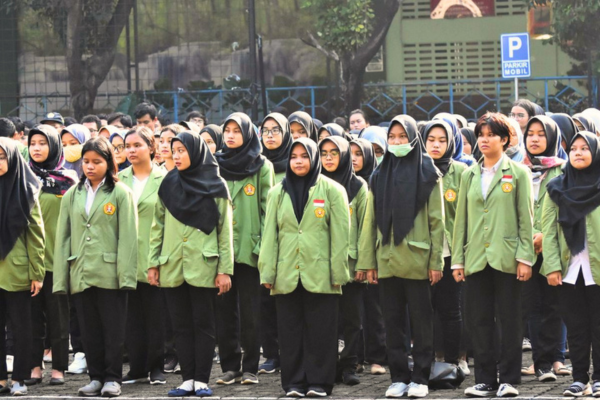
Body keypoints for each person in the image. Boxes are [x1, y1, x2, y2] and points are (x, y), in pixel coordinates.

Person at [359, 115, 444, 399]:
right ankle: (398, 377)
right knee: (392, 323)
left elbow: (437, 222)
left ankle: (420, 377)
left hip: (418, 260)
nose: (397, 142)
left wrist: (436, 262)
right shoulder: (379, 173)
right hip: (386, 259)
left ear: (413, 138)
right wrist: (368, 262)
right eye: (392, 137)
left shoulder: (428, 172)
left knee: (422, 322)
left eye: (402, 136)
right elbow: (370, 221)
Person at [259, 138, 350, 397]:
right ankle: (294, 383)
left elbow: (341, 236)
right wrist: (268, 272)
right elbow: (270, 236)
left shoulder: (333, 190)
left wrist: (338, 273)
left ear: (314, 158)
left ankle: (320, 382)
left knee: (321, 331)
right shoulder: (277, 192)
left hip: (321, 274)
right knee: (289, 332)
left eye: (304, 156)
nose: (298, 161)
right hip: (287, 273)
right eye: (294, 156)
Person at [452, 112, 535, 398]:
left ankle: (509, 379)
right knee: (479, 321)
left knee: (510, 321)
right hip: (476, 258)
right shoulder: (469, 174)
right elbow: (460, 220)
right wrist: (458, 260)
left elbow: (526, 219)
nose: (484, 140)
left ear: (505, 139)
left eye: (491, 135)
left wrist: (525, 258)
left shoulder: (519, 173)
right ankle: (485, 380)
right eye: (481, 135)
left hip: (508, 258)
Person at [148, 130, 234, 397]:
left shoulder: (216, 185)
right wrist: (153, 263)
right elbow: (157, 226)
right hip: (173, 265)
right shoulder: (168, 183)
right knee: (180, 326)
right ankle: (187, 379)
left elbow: (225, 231)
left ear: (196, 152)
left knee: (204, 325)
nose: (176, 155)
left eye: (182, 150)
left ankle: (202, 379)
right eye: (174, 151)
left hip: (204, 266)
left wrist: (224, 270)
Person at [53, 137, 138, 398]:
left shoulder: (121, 193)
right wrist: (61, 278)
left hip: (110, 273)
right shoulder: (72, 194)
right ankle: (95, 377)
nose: (90, 166)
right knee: (89, 331)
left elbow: (128, 238)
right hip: (81, 271)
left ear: (109, 163)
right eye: (86, 161)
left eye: (97, 162)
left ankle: (112, 378)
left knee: (113, 330)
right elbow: (63, 237)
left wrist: (126, 277)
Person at [214, 112, 275, 385]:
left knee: (251, 313)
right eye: (227, 130)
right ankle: (230, 367)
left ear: (248, 134)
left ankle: (250, 366)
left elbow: (268, 211)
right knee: (225, 312)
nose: (230, 135)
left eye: (236, 131)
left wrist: (262, 248)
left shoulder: (261, 166)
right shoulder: (215, 164)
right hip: (222, 251)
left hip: (251, 251)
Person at [542, 130, 600, 397]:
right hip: (569, 270)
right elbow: (548, 231)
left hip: (597, 268)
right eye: (574, 148)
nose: (578, 152)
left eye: (584, 148)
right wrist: (552, 266)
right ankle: (579, 379)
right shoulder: (556, 186)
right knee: (576, 328)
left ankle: (599, 379)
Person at [27, 125, 78, 387]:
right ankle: (34, 366)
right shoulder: (22, 177)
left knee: (59, 317)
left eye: (43, 143)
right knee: (32, 318)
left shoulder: (68, 180)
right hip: (29, 260)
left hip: (59, 259)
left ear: (54, 146)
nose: (36, 148)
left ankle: (58, 367)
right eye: (33, 143)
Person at [519, 116, 567, 382]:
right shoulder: (518, 169)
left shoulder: (564, 170)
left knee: (555, 305)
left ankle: (557, 358)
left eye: (541, 134)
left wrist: (545, 236)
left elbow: (568, 210)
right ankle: (542, 363)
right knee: (533, 307)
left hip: (554, 248)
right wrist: (529, 237)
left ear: (552, 138)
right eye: (530, 134)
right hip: (525, 250)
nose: (535, 139)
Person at [119, 127, 167, 385]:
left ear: (151, 147)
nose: (131, 150)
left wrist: (158, 260)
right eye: (127, 146)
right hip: (126, 258)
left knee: (155, 316)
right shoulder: (119, 179)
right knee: (131, 317)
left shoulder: (164, 179)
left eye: (137, 145)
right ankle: (136, 368)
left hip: (154, 257)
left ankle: (156, 367)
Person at [319, 136, 368, 386]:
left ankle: (350, 364)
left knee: (352, 319)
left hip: (350, 265)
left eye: (334, 153)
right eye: (324, 153)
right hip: (321, 264)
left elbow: (366, 227)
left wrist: (363, 263)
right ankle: (329, 366)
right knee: (326, 319)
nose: (328, 158)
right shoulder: (315, 184)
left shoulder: (358, 186)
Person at [0, 137, 45, 396]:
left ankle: (19, 378)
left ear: (13, 158)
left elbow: (36, 235)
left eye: (2, 157)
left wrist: (37, 273)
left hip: (18, 270)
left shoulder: (26, 189)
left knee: (21, 327)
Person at [422, 120, 467, 370]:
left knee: (451, 309)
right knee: (423, 310)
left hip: (451, 252)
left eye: (442, 140)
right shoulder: (416, 169)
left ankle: (454, 361)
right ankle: (426, 363)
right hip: (421, 252)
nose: (436, 145)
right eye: (431, 140)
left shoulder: (461, 171)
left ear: (451, 143)